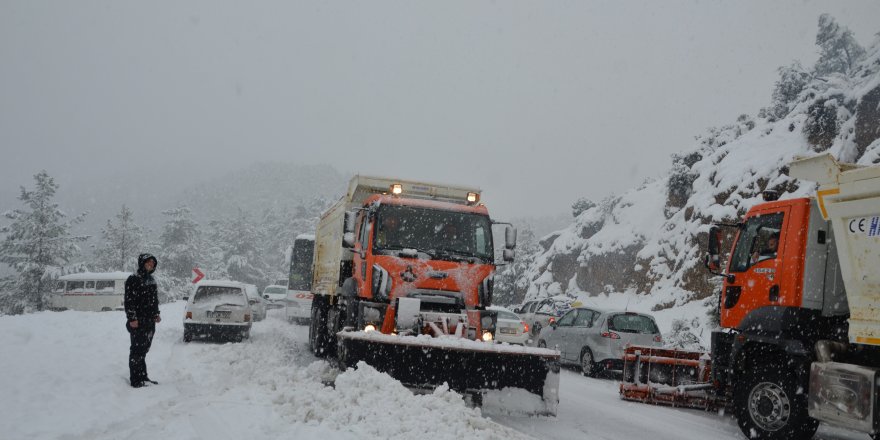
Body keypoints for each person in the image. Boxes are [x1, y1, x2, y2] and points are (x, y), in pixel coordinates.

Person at [125, 253, 161, 388]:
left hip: (149, 321)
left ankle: (143, 376)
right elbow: (129, 301)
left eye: (153, 263)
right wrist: (132, 318)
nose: (151, 265)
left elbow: (154, 300)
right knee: (137, 350)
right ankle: (135, 380)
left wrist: (156, 313)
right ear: (142, 263)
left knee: (144, 349)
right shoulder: (133, 279)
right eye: (148, 262)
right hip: (138, 321)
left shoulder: (151, 280)